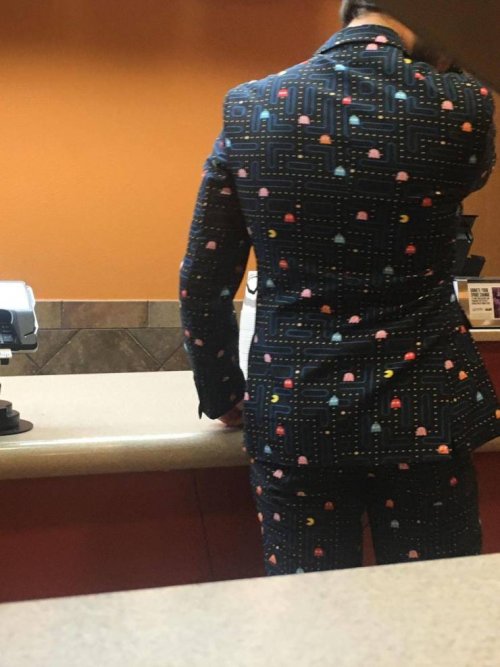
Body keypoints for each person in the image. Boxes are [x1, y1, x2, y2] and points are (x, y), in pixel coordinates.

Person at [179, 0, 499, 575]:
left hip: (296, 409)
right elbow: (470, 174)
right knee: (437, 604)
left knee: (310, 609)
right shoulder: (465, 105)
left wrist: (223, 393)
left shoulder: (250, 106)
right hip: (425, 408)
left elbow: (203, 280)